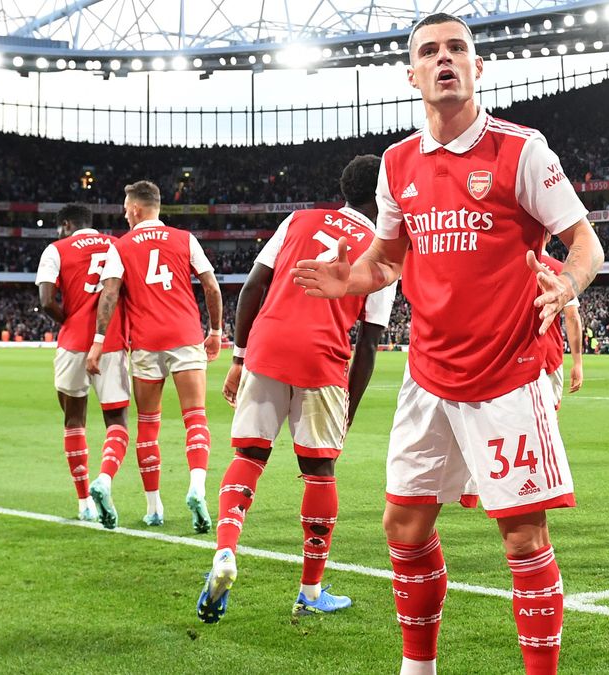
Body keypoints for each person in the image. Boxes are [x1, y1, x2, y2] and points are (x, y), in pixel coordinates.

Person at [291, 13, 604, 675]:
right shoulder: (398, 164)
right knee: (403, 529)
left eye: (457, 48)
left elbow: (586, 244)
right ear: (412, 75)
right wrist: (348, 276)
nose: (444, 59)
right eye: (429, 51)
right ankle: (419, 666)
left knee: (522, 537)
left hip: (509, 373)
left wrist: (567, 285)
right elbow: (386, 260)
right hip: (428, 375)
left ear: (478, 67)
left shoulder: (523, 152)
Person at [197, 155, 397, 623]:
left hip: (265, 346)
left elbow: (252, 288)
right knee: (320, 471)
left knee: (248, 457)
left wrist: (239, 359)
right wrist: (350, 405)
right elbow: (369, 341)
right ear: (384, 196)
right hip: (320, 357)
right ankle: (310, 590)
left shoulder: (299, 218)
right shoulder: (382, 249)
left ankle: (225, 553)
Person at [86, 181, 223, 532]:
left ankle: (154, 508)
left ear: (135, 209)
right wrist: (216, 331)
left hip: (146, 343)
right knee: (195, 417)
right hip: (185, 335)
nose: (123, 212)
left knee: (148, 426)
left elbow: (110, 294)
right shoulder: (185, 239)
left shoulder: (121, 245)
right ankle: (196, 487)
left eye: (124, 206)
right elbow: (211, 286)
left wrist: (99, 341)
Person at [36, 204, 131, 523]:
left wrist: (72, 322)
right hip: (112, 342)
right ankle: (104, 479)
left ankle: (82, 504)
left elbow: (47, 301)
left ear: (66, 225)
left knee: (73, 420)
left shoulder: (55, 249)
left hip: (73, 343)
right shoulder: (117, 245)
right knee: (116, 419)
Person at [539, 254, 584, 405]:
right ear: (549, 236)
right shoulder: (561, 270)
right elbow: (572, 317)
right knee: (549, 417)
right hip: (549, 354)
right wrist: (577, 362)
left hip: (511, 355)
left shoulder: (508, 265)